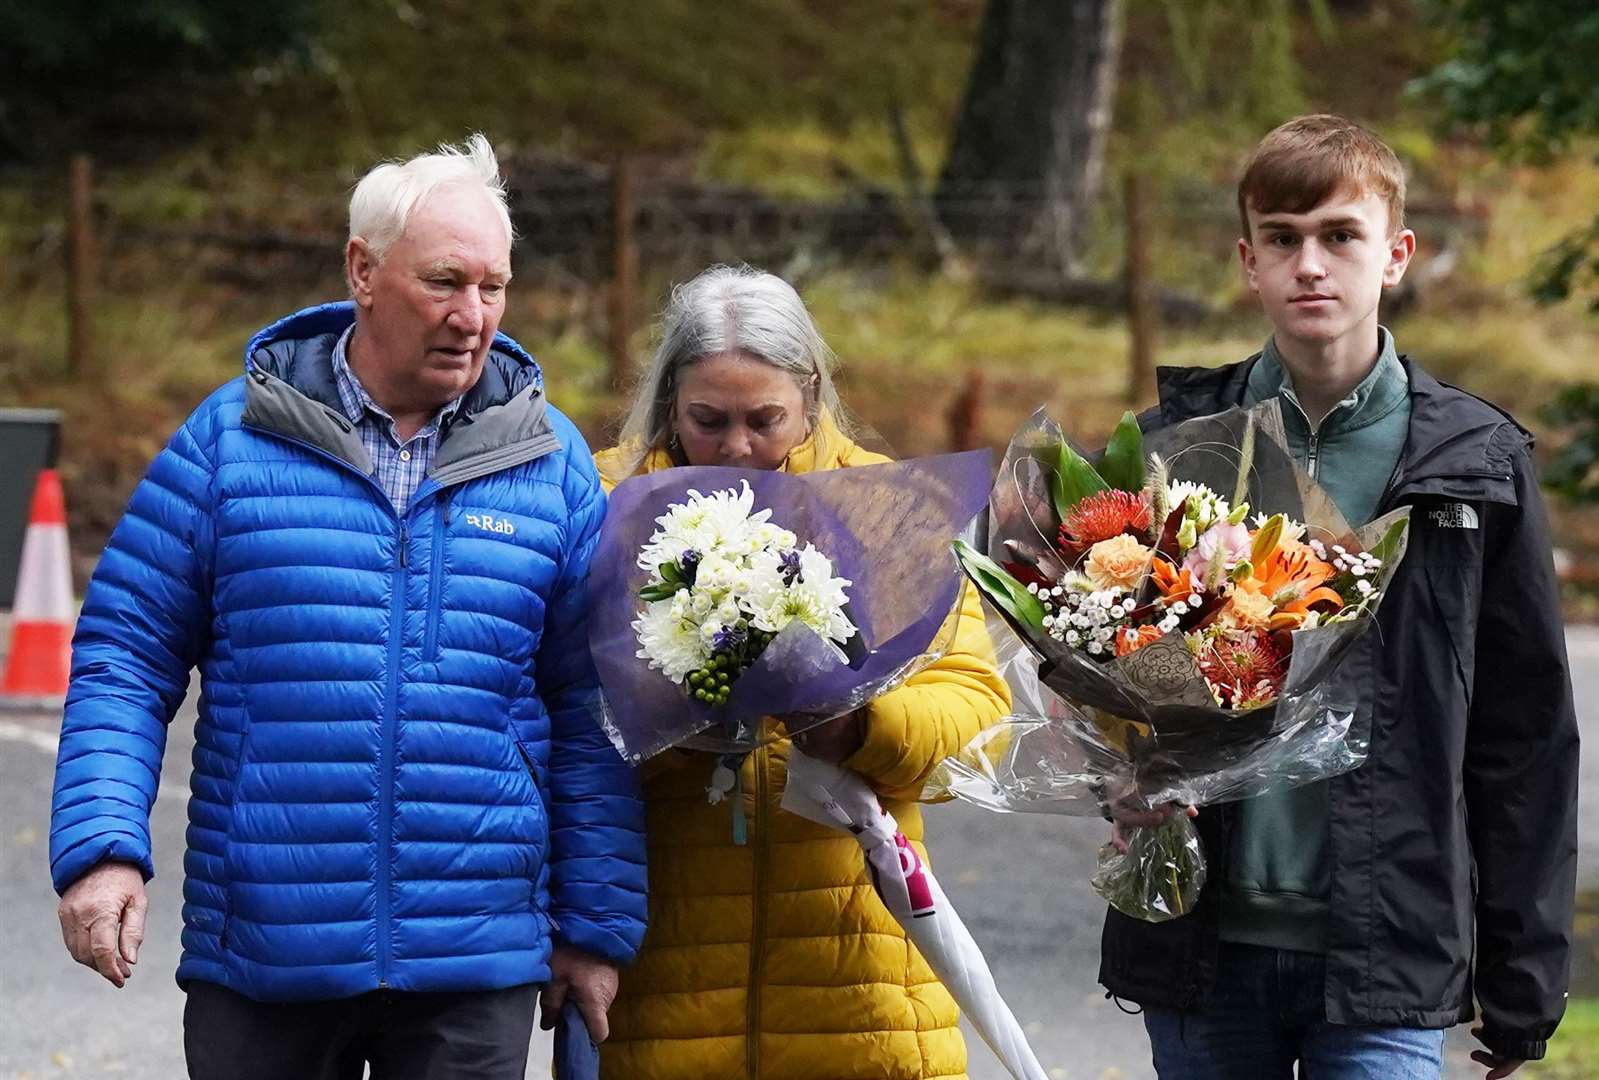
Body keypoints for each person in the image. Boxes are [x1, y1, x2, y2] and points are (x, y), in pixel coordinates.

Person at [48, 134, 647, 1080]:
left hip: (474, 962)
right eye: (445, 282)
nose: (472, 316)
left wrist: (594, 926)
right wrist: (102, 848)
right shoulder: (227, 444)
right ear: (363, 271)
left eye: (493, 287)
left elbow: (592, 709)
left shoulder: (550, 462)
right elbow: (125, 653)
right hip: (267, 957)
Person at [1103, 115, 1580, 1080]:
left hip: (1387, 944)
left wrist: (1524, 982)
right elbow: (1103, 667)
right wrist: (1120, 767)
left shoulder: (1473, 466)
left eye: (1340, 235)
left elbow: (1523, 738)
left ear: (1396, 253)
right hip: (1205, 940)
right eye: (1282, 238)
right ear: (1248, 259)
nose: (1310, 265)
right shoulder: (1175, 448)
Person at [592, 265, 1013, 1080]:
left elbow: (974, 709)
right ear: (668, 397)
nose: (737, 446)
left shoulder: (888, 508)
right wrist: (666, 716)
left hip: (858, 963)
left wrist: (856, 726)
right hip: (671, 966)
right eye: (707, 420)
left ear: (812, 395)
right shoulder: (605, 499)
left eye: (765, 419)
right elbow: (557, 709)